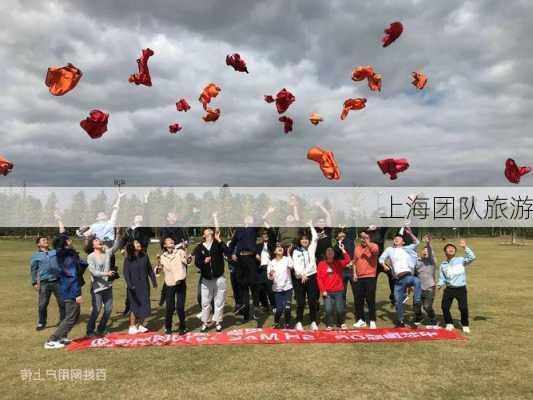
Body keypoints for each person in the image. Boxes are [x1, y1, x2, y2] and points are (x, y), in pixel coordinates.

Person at [44, 213, 86, 349]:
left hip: (66, 288)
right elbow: (73, 277)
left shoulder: (62, 252)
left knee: (74, 315)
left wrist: (60, 220)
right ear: (66, 243)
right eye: (68, 239)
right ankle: (52, 339)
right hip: (70, 290)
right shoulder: (68, 257)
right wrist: (77, 294)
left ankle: (62, 337)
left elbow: (62, 234)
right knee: (71, 317)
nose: (69, 239)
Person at [378, 228, 422, 327]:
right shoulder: (390, 250)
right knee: (398, 302)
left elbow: (417, 242)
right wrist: (384, 265)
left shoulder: (407, 249)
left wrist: (410, 233)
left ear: (403, 242)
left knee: (417, 281)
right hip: (398, 280)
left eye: (399, 238)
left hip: (408, 275)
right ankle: (400, 321)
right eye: (395, 238)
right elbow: (381, 258)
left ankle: (417, 301)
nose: (396, 239)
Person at [158, 206, 199, 307]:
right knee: (170, 277)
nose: (175, 216)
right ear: (168, 219)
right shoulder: (165, 229)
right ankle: (164, 296)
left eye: (175, 214)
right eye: (172, 215)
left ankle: (180, 302)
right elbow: (163, 243)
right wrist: (170, 249)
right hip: (171, 255)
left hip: (181, 254)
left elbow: (185, 219)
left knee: (181, 276)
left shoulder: (179, 226)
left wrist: (192, 212)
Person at [193, 215, 227, 332]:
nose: (209, 230)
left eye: (210, 229)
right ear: (203, 235)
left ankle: (218, 322)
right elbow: (197, 263)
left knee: (219, 300)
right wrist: (204, 262)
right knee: (205, 302)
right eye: (206, 230)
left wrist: (215, 218)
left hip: (219, 278)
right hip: (206, 279)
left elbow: (227, 252)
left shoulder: (218, 244)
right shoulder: (199, 247)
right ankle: (205, 322)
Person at [438, 239, 476, 333]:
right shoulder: (443, 265)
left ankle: (465, 324)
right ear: (445, 252)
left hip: (461, 289)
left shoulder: (461, 260)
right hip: (449, 289)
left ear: (455, 251)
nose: (451, 249)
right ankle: (449, 323)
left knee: (463, 307)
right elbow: (442, 277)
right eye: (448, 248)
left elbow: (472, 257)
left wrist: (464, 247)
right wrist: (440, 284)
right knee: (444, 307)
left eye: (452, 248)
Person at [85, 235, 120, 336]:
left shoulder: (107, 253)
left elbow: (116, 247)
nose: (99, 241)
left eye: (99, 240)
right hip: (97, 288)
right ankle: (90, 331)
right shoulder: (90, 256)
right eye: (96, 240)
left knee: (108, 309)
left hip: (108, 286)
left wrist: (118, 234)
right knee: (96, 310)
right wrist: (106, 274)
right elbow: (93, 272)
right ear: (93, 245)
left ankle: (101, 328)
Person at [229, 215, 262, 322]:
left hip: (251, 259)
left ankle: (256, 307)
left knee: (254, 283)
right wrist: (231, 255)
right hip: (240, 260)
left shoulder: (253, 229)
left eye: (251, 217)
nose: (248, 218)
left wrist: (268, 212)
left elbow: (260, 221)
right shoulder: (239, 230)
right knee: (243, 285)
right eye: (246, 217)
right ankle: (246, 315)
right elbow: (232, 244)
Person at [30, 236, 65, 331]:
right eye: (43, 240)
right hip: (44, 282)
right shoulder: (35, 255)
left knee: (62, 302)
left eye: (46, 240)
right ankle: (41, 322)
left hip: (57, 281)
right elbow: (33, 270)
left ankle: (63, 321)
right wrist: (34, 282)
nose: (46, 241)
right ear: (38, 244)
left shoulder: (54, 252)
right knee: (42, 304)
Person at [157, 237, 190, 335]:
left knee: (180, 307)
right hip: (170, 284)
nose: (171, 241)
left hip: (180, 283)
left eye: (172, 240)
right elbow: (158, 270)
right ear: (164, 245)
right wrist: (158, 267)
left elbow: (187, 262)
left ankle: (182, 327)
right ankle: (168, 327)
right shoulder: (163, 256)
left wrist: (186, 250)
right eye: (168, 241)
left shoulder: (179, 252)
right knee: (170, 307)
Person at [124, 239, 158, 334]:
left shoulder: (145, 256)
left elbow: (150, 270)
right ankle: (132, 326)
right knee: (134, 306)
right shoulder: (128, 259)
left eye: (139, 242)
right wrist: (130, 285)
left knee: (144, 305)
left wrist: (154, 282)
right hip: (133, 286)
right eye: (136, 243)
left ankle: (141, 325)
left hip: (144, 285)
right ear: (132, 246)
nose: (139, 244)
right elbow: (126, 273)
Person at [291, 220, 319, 331]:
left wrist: (311, 225)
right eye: (302, 239)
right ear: (299, 240)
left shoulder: (312, 248)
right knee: (300, 302)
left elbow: (316, 237)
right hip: (299, 279)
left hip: (311, 277)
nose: (305, 241)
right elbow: (295, 266)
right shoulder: (296, 252)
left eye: (306, 239)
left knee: (312, 301)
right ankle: (299, 322)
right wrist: (301, 274)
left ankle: (313, 321)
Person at [317, 244, 351, 329]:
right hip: (327, 292)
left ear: (334, 253)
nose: (329, 252)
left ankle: (342, 322)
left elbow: (348, 260)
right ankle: (329, 324)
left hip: (339, 291)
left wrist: (343, 250)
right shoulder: (321, 264)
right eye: (328, 251)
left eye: (331, 251)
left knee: (340, 309)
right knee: (328, 309)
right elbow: (319, 278)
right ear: (325, 254)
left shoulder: (338, 263)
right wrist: (323, 290)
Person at [352, 230, 379, 329]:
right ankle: (361, 320)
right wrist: (354, 273)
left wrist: (367, 240)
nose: (363, 240)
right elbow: (354, 261)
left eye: (365, 238)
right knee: (359, 299)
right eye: (362, 238)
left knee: (370, 299)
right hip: (359, 277)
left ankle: (372, 320)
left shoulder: (374, 246)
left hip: (370, 276)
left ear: (369, 238)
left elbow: (375, 251)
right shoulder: (357, 248)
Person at [414, 234, 438, 327]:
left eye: (427, 251)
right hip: (418, 287)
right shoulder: (417, 261)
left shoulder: (432, 261)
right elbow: (414, 274)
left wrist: (428, 243)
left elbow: (430, 252)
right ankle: (419, 316)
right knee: (416, 305)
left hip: (429, 287)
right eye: (423, 250)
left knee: (427, 306)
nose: (425, 252)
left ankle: (432, 318)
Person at [267, 244, 294, 328]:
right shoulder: (271, 263)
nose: (280, 248)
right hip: (277, 290)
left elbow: (292, 266)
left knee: (287, 308)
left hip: (288, 288)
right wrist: (271, 274)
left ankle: (287, 324)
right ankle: (276, 322)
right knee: (279, 309)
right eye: (277, 247)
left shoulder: (286, 259)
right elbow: (269, 277)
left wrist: (289, 253)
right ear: (274, 252)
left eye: (281, 247)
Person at [255, 227, 277, 312]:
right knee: (260, 289)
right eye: (264, 234)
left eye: (267, 234)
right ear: (261, 236)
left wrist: (269, 229)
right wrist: (256, 257)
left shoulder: (272, 244)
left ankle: (274, 306)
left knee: (270, 290)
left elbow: (273, 236)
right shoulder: (258, 246)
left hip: (270, 268)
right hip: (261, 269)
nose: (266, 235)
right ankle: (265, 305)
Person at [334, 230, 356, 307]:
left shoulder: (350, 241)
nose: (341, 235)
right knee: (342, 291)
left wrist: (351, 263)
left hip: (352, 269)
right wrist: (339, 244)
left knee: (356, 290)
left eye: (343, 234)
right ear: (337, 237)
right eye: (339, 235)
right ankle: (342, 307)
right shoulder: (336, 246)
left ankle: (358, 307)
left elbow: (353, 254)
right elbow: (335, 259)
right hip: (342, 271)